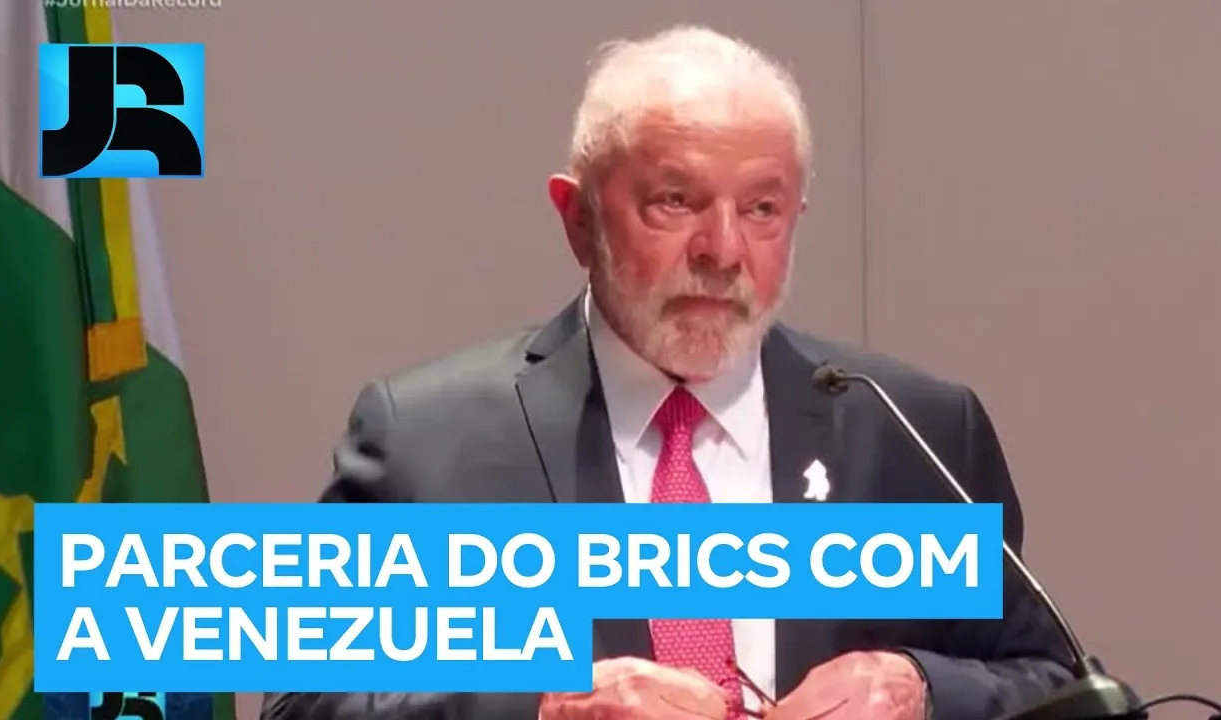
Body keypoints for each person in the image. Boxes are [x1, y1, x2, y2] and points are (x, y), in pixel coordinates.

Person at [261, 24, 1073, 720]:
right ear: (578, 218)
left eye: (761, 209)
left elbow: (1060, 686)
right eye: (675, 201)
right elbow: (304, 703)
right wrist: (544, 705)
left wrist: (923, 690)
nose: (723, 250)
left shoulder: (912, 431)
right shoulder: (430, 440)